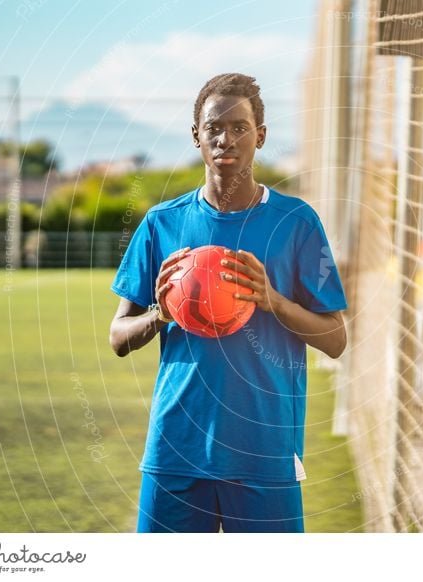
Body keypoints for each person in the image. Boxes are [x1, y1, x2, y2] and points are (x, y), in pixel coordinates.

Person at [109, 73, 347, 533]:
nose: (225, 138)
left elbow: (336, 340)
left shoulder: (296, 222)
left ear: (261, 136)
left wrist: (270, 300)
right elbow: (118, 338)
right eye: (213, 127)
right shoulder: (163, 223)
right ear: (197, 135)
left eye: (239, 127)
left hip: (264, 451)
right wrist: (162, 312)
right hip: (176, 448)